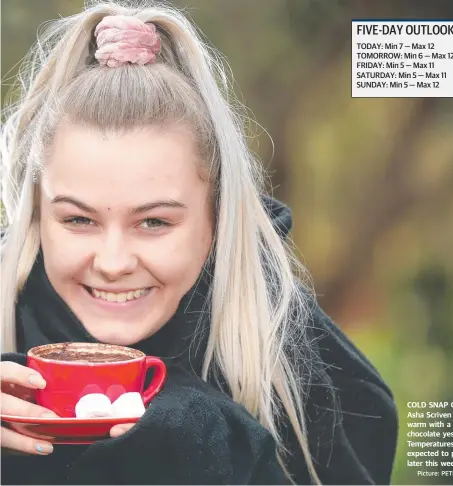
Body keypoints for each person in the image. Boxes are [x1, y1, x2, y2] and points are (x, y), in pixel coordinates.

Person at [0, 1, 398, 484]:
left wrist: (206, 433)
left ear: (216, 218)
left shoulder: (293, 363)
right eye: (79, 219)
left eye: (154, 223)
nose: (112, 262)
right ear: (39, 218)